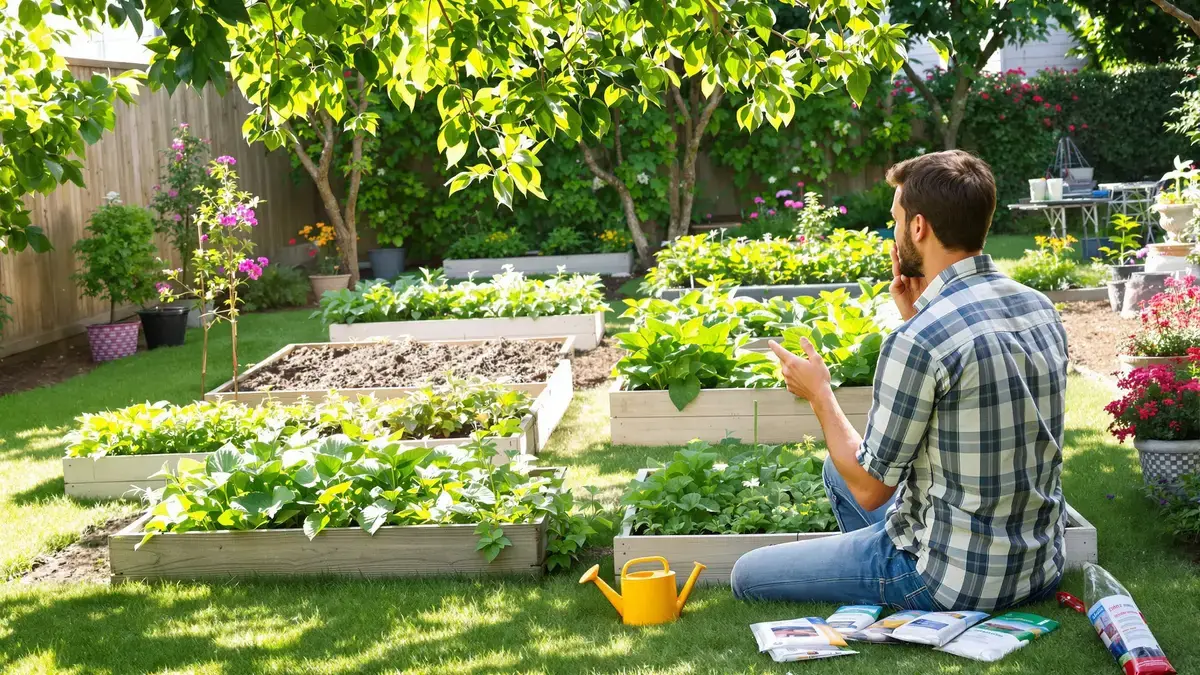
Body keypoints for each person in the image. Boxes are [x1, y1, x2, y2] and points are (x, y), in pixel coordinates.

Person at [730, 150, 1069, 612]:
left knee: (746, 575)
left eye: (895, 219)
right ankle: (874, 554)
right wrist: (915, 314)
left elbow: (871, 489)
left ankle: (887, 572)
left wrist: (819, 392)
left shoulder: (919, 341)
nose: (893, 231)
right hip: (1038, 569)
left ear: (918, 228)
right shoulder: (1038, 307)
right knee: (837, 471)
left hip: (949, 582)